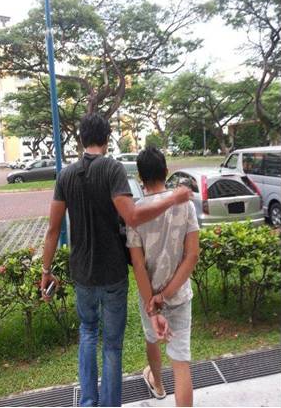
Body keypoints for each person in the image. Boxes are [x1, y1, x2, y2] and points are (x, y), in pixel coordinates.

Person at [40, 114, 192, 407]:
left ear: (81, 140)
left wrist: (46, 270)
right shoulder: (112, 169)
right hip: (112, 274)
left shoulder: (66, 175)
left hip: (82, 272)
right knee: (111, 344)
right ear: (107, 140)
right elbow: (132, 216)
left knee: (87, 334)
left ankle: (87, 402)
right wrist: (173, 199)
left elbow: (52, 229)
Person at [126, 146, 199, 407]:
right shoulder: (185, 205)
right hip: (178, 296)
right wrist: (166, 295)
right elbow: (192, 255)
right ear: (166, 172)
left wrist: (152, 301)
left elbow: (137, 264)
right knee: (181, 365)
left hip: (149, 299)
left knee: (152, 339)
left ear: (139, 177)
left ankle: (157, 384)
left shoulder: (135, 213)